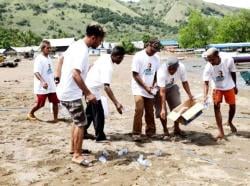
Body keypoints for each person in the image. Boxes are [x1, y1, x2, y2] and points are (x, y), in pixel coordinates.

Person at [56, 24, 105, 166]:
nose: (100, 43)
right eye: (100, 41)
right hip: (70, 93)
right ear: (93, 37)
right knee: (81, 123)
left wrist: (58, 77)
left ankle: (74, 149)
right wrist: (88, 93)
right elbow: (75, 74)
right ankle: (77, 155)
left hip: (66, 90)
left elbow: (61, 60)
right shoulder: (82, 50)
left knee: (77, 121)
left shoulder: (76, 45)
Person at [84, 46, 125, 141]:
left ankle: (83, 131)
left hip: (89, 86)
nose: (122, 60)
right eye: (121, 58)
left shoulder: (105, 56)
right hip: (92, 89)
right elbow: (107, 87)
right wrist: (116, 103)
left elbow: (91, 66)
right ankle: (100, 135)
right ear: (116, 56)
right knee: (98, 113)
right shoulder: (108, 68)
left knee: (90, 113)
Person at [203, 47, 238, 140]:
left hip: (229, 85)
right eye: (208, 59)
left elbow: (233, 72)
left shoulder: (228, 60)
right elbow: (206, 82)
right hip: (216, 87)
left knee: (233, 105)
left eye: (212, 59)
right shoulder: (208, 66)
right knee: (216, 106)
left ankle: (230, 122)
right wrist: (205, 96)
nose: (210, 61)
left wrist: (235, 86)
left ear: (217, 56)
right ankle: (221, 131)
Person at [156, 56, 193, 138]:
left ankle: (176, 128)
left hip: (172, 87)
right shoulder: (161, 71)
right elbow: (162, 91)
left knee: (177, 107)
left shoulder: (181, 67)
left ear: (177, 67)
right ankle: (165, 130)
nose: (171, 71)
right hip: (159, 89)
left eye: (173, 69)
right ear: (167, 66)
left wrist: (190, 94)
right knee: (162, 111)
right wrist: (163, 108)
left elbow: (185, 82)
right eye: (169, 69)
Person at [131, 38, 161, 140]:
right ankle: (136, 132)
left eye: (156, 51)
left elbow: (156, 73)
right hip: (138, 87)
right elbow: (135, 74)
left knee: (150, 110)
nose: (154, 52)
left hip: (150, 88)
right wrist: (145, 87)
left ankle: (151, 132)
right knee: (139, 109)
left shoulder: (156, 58)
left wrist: (155, 84)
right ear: (148, 45)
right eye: (153, 50)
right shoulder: (138, 56)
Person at [27, 40, 59, 122]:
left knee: (55, 102)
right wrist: (42, 82)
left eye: (50, 48)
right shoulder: (39, 59)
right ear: (42, 48)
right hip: (42, 86)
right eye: (48, 48)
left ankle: (55, 118)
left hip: (51, 85)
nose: (49, 49)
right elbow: (36, 72)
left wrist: (55, 79)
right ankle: (30, 113)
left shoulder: (49, 58)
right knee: (40, 104)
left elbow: (50, 71)